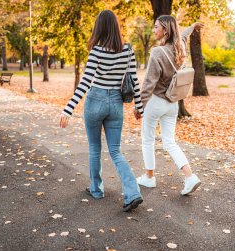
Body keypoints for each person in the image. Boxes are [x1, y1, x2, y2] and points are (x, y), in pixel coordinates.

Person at [60, 10, 144, 212]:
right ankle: (133, 193)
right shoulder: (128, 50)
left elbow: (85, 83)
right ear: (116, 26)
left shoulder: (96, 51)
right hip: (116, 103)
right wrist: (139, 107)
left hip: (95, 100)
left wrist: (68, 109)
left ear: (99, 27)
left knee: (95, 148)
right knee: (115, 151)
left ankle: (96, 189)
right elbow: (134, 81)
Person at [134, 15, 204, 195]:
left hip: (155, 102)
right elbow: (184, 34)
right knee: (170, 142)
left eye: (156, 27)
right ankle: (190, 177)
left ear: (165, 29)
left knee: (148, 140)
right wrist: (193, 26)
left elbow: (149, 83)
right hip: (172, 103)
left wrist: (139, 106)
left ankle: (149, 178)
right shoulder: (180, 47)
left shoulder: (158, 52)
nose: (154, 30)